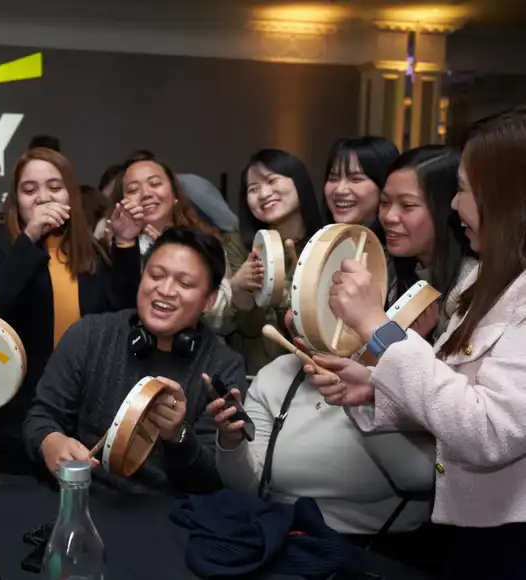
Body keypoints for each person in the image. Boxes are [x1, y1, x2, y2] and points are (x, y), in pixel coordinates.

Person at [308, 108, 526, 578]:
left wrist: (378, 328)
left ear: (505, 197)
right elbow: (454, 392)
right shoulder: (490, 279)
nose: (455, 206)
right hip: (476, 526)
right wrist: (374, 388)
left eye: (463, 190)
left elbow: (488, 431)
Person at [24, 227, 247, 495]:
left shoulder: (223, 367)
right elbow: (40, 418)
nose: (165, 290)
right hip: (82, 497)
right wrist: (50, 441)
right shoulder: (90, 334)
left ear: (209, 300)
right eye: (156, 275)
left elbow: (212, 481)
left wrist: (178, 436)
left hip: (170, 510)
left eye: (185, 284)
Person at [0, 147, 143, 478]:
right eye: (30, 190)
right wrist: (30, 237)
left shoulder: (88, 250)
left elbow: (123, 315)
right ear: (16, 200)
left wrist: (126, 244)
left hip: (80, 412)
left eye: (54, 187)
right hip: (14, 414)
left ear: (70, 194)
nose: (43, 197)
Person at [211, 308, 434, 539]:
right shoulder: (274, 375)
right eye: (292, 302)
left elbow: (420, 478)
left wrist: (368, 399)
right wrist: (232, 442)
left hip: (373, 547)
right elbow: (247, 488)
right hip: (283, 532)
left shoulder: (399, 374)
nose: (294, 315)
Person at [227, 149, 325, 374]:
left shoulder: (324, 243)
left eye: (271, 181)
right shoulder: (238, 246)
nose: (263, 194)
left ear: (298, 181)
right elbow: (247, 328)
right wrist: (239, 290)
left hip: (315, 375)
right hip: (252, 375)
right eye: (253, 189)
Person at [117, 153, 236, 332]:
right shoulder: (114, 249)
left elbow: (224, 321)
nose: (146, 194)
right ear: (122, 202)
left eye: (155, 184)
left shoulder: (205, 243)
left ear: (174, 194)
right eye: (133, 190)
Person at [380, 145, 477, 337]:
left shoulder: (470, 284)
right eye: (384, 202)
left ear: (447, 207)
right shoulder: (390, 269)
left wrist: (419, 340)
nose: (389, 216)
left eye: (407, 205)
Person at [324, 136, 399, 232]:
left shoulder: (399, 241)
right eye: (333, 178)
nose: (340, 190)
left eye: (356, 179)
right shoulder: (318, 240)